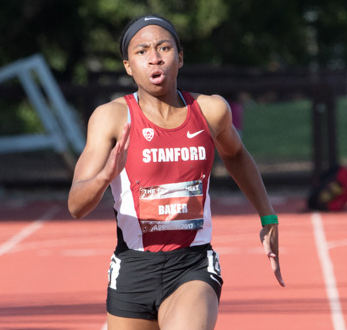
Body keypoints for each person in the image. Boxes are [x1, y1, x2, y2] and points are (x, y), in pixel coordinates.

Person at [68, 14, 285, 329]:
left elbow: (236, 154)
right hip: (133, 267)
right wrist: (104, 176)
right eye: (141, 51)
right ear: (128, 65)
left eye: (164, 48)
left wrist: (268, 216)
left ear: (180, 57)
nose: (154, 58)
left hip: (192, 264)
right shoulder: (111, 118)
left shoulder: (211, 111)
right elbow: (75, 205)